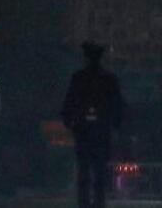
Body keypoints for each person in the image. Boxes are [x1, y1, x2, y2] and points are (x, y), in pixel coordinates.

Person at [62, 42, 125, 208]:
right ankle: (98, 202)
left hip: (84, 129)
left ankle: (85, 202)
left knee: (85, 168)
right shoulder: (109, 79)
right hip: (101, 129)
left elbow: (70, 102)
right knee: (99, 169)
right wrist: (116, 124)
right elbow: (117, 104)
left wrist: (68, 120)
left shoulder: (79, 78)